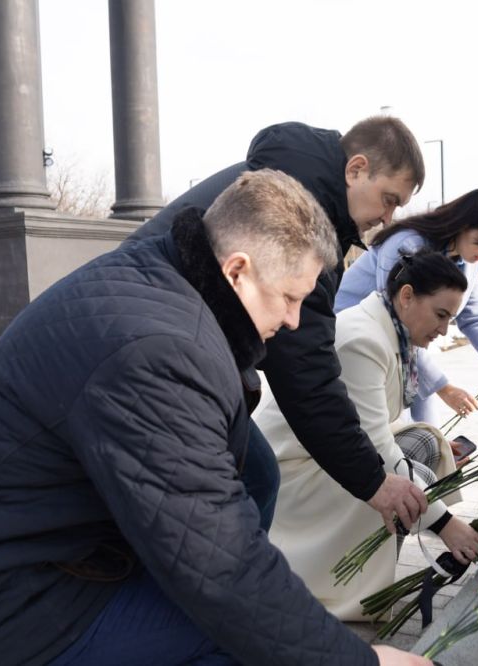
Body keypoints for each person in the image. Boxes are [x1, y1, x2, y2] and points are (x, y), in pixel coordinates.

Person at [0, 171, 430, 666]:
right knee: (247, 645)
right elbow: (225, 570)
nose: (293, 321)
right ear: (237, 270)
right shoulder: (160, 352)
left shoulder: (168, 276)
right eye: (289, 298)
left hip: (48, 560)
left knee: (256, 480)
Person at [129, 117, 429, 535]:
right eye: (388, 198)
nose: (387, 216)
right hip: (147, 350)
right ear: (356, 169)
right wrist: (373, 482)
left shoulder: (301, 187)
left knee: (255, 475)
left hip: (167, 340)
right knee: (248, 482)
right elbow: (305, 371)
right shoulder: (298, 221)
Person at [256, 250, 478, 619]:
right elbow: (377, 448)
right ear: (407, 296)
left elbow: (377, 427)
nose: (445, 330)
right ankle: (347, 579)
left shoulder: (388, 328)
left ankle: (379, 559)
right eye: (441, 315)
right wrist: (446, 525)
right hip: (294, 473)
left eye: (451, 319)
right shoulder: (363, 339)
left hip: (324, 454)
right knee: (402, 474)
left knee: (426, 443)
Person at [335, 188, 478, 426]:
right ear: (463, 224)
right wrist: (445, 388)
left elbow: (472, 310)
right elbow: (397, 322)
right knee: (391, 430)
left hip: (407, 353)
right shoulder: (407, 246)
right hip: (354, 343)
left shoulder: (469, 261)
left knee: (428, 434)